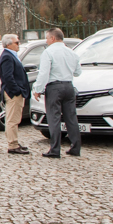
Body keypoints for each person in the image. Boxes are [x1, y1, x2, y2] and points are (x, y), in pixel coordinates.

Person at [33, 27, 83, 158]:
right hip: (69, 86)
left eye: (47, 38)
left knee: (54, 118)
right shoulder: (72, 52)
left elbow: (44, 73)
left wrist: (38, 89)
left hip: (54, 87)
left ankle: (55, 149)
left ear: (53, 38)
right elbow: (78, 72)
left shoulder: (48, 52)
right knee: (71, 118)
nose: (46, 41)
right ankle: (75, 147)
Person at [0, 35, 31, 154]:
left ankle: (14, 141)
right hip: (13, 93)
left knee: (14, 118)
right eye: (16, 42)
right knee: (12, 119)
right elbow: (7, 76)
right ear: (8, 44)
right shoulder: (7, 56)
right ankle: (12, 144)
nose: (19, 44)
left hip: (15, 91)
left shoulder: (11, 55)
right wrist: (17, 90)